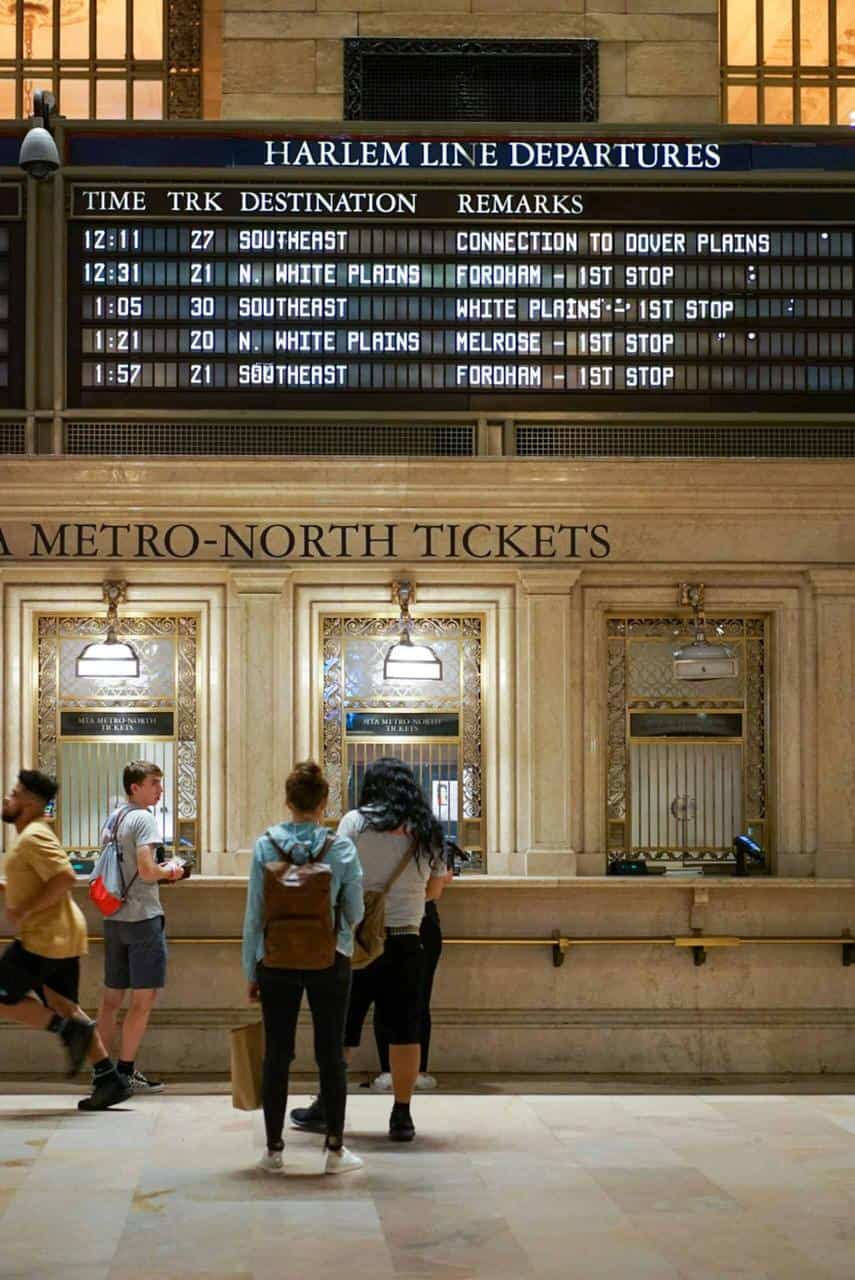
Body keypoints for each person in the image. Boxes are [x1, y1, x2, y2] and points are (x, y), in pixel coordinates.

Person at [291, 757, 448, 1142]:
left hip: (357, 941)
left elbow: (335, 874)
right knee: (406, 1030)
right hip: (407, 939)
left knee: (343, 1027)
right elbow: (435, 889)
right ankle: (402, 1114)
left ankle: (329, 1106)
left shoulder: (355, 822)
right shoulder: (427, 829)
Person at [242, 761, 365, 1174]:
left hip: (275, 960)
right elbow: (355, 910)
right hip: (330, 960)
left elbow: (254, 916)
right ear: (324, 802)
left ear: (288, 801)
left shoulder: (265, 847)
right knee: (331, 1054)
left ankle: (275, 1151)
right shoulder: (341, 849)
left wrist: (250, 970)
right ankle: (333, 1151)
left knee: (277, 1054)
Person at [0, 770, 131, 1110]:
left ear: (28, 803)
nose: (6, 799)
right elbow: (41, 879)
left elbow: (63, 876)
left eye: (13, 794)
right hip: (58, 936)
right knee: (66, 1006)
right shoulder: (31, 835)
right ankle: (109, 1079)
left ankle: (66, 1031)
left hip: (43, 938)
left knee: (8, 1000)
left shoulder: (33, 837)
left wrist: (24, 910)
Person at [93, 760, 184, 1094]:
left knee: (110, 1000)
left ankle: (101, 1072)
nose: (160, 790)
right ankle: (126, 1071)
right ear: (135, 787)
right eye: (154, 783)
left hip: (114, 916)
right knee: (142, 1000)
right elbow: (147, 871)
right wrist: (171, 870)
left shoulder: (114, 818)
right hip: (143, 918)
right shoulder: (144, 819)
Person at [370, 838, 455, 1092]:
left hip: (379, 924)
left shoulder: (364, 829)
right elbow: (436, 889)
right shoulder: (428, 835)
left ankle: (388, 1070)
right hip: (422, 925)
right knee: (418, 1002)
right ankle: (418, 1071)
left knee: (383, 1002)